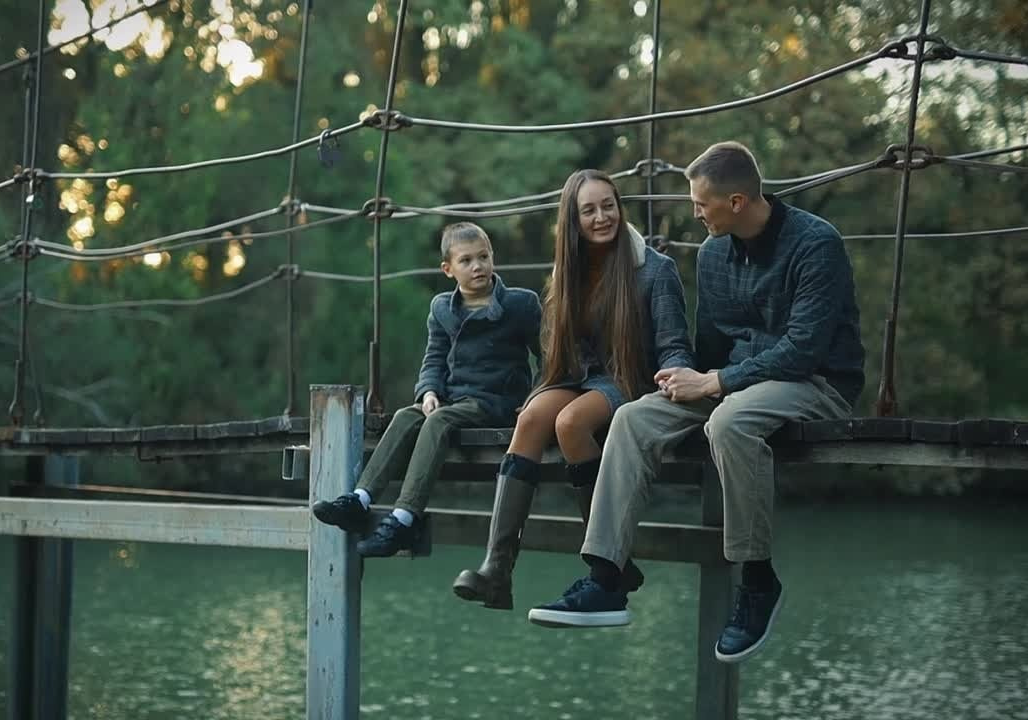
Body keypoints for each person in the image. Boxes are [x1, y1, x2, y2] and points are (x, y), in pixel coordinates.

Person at [528, 142, 865, 665]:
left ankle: (756, 582)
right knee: (634, 416)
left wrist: (715, 383)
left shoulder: (815, 244)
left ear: (735, 201)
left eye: (701, 203)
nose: (695, 212)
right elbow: (709, 346)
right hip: (732, 382)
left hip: (815, 383)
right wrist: (686, 380)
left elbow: (803, 351)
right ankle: (607, 577)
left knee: (729, 421)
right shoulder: (712, 253)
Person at [451, 169, 695, 610]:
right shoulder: (567, 272)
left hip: (631, 380)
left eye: (608, 206)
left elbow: (675, 344)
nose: (602, 217)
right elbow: (559, 356)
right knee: (531, 418)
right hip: (580, 377)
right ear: (573, 219)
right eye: (589, 210)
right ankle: (497, 570)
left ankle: (610, 560)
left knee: (570, 423)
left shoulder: (654, 270)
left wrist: (678, 375)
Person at [311, 222, 542, 557]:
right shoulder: (442, 309)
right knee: (408, 415)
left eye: (483, 257)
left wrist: (535, 399)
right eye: (466, 261)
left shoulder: (521, 304)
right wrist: (428, 392)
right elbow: (433, 358)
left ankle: (403, 519)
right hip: (451, 397)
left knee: (439, 421)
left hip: (496, 400)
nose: (477, 266)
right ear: (448, 269)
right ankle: (359, 500)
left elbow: (548, 355)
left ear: (493, 258)